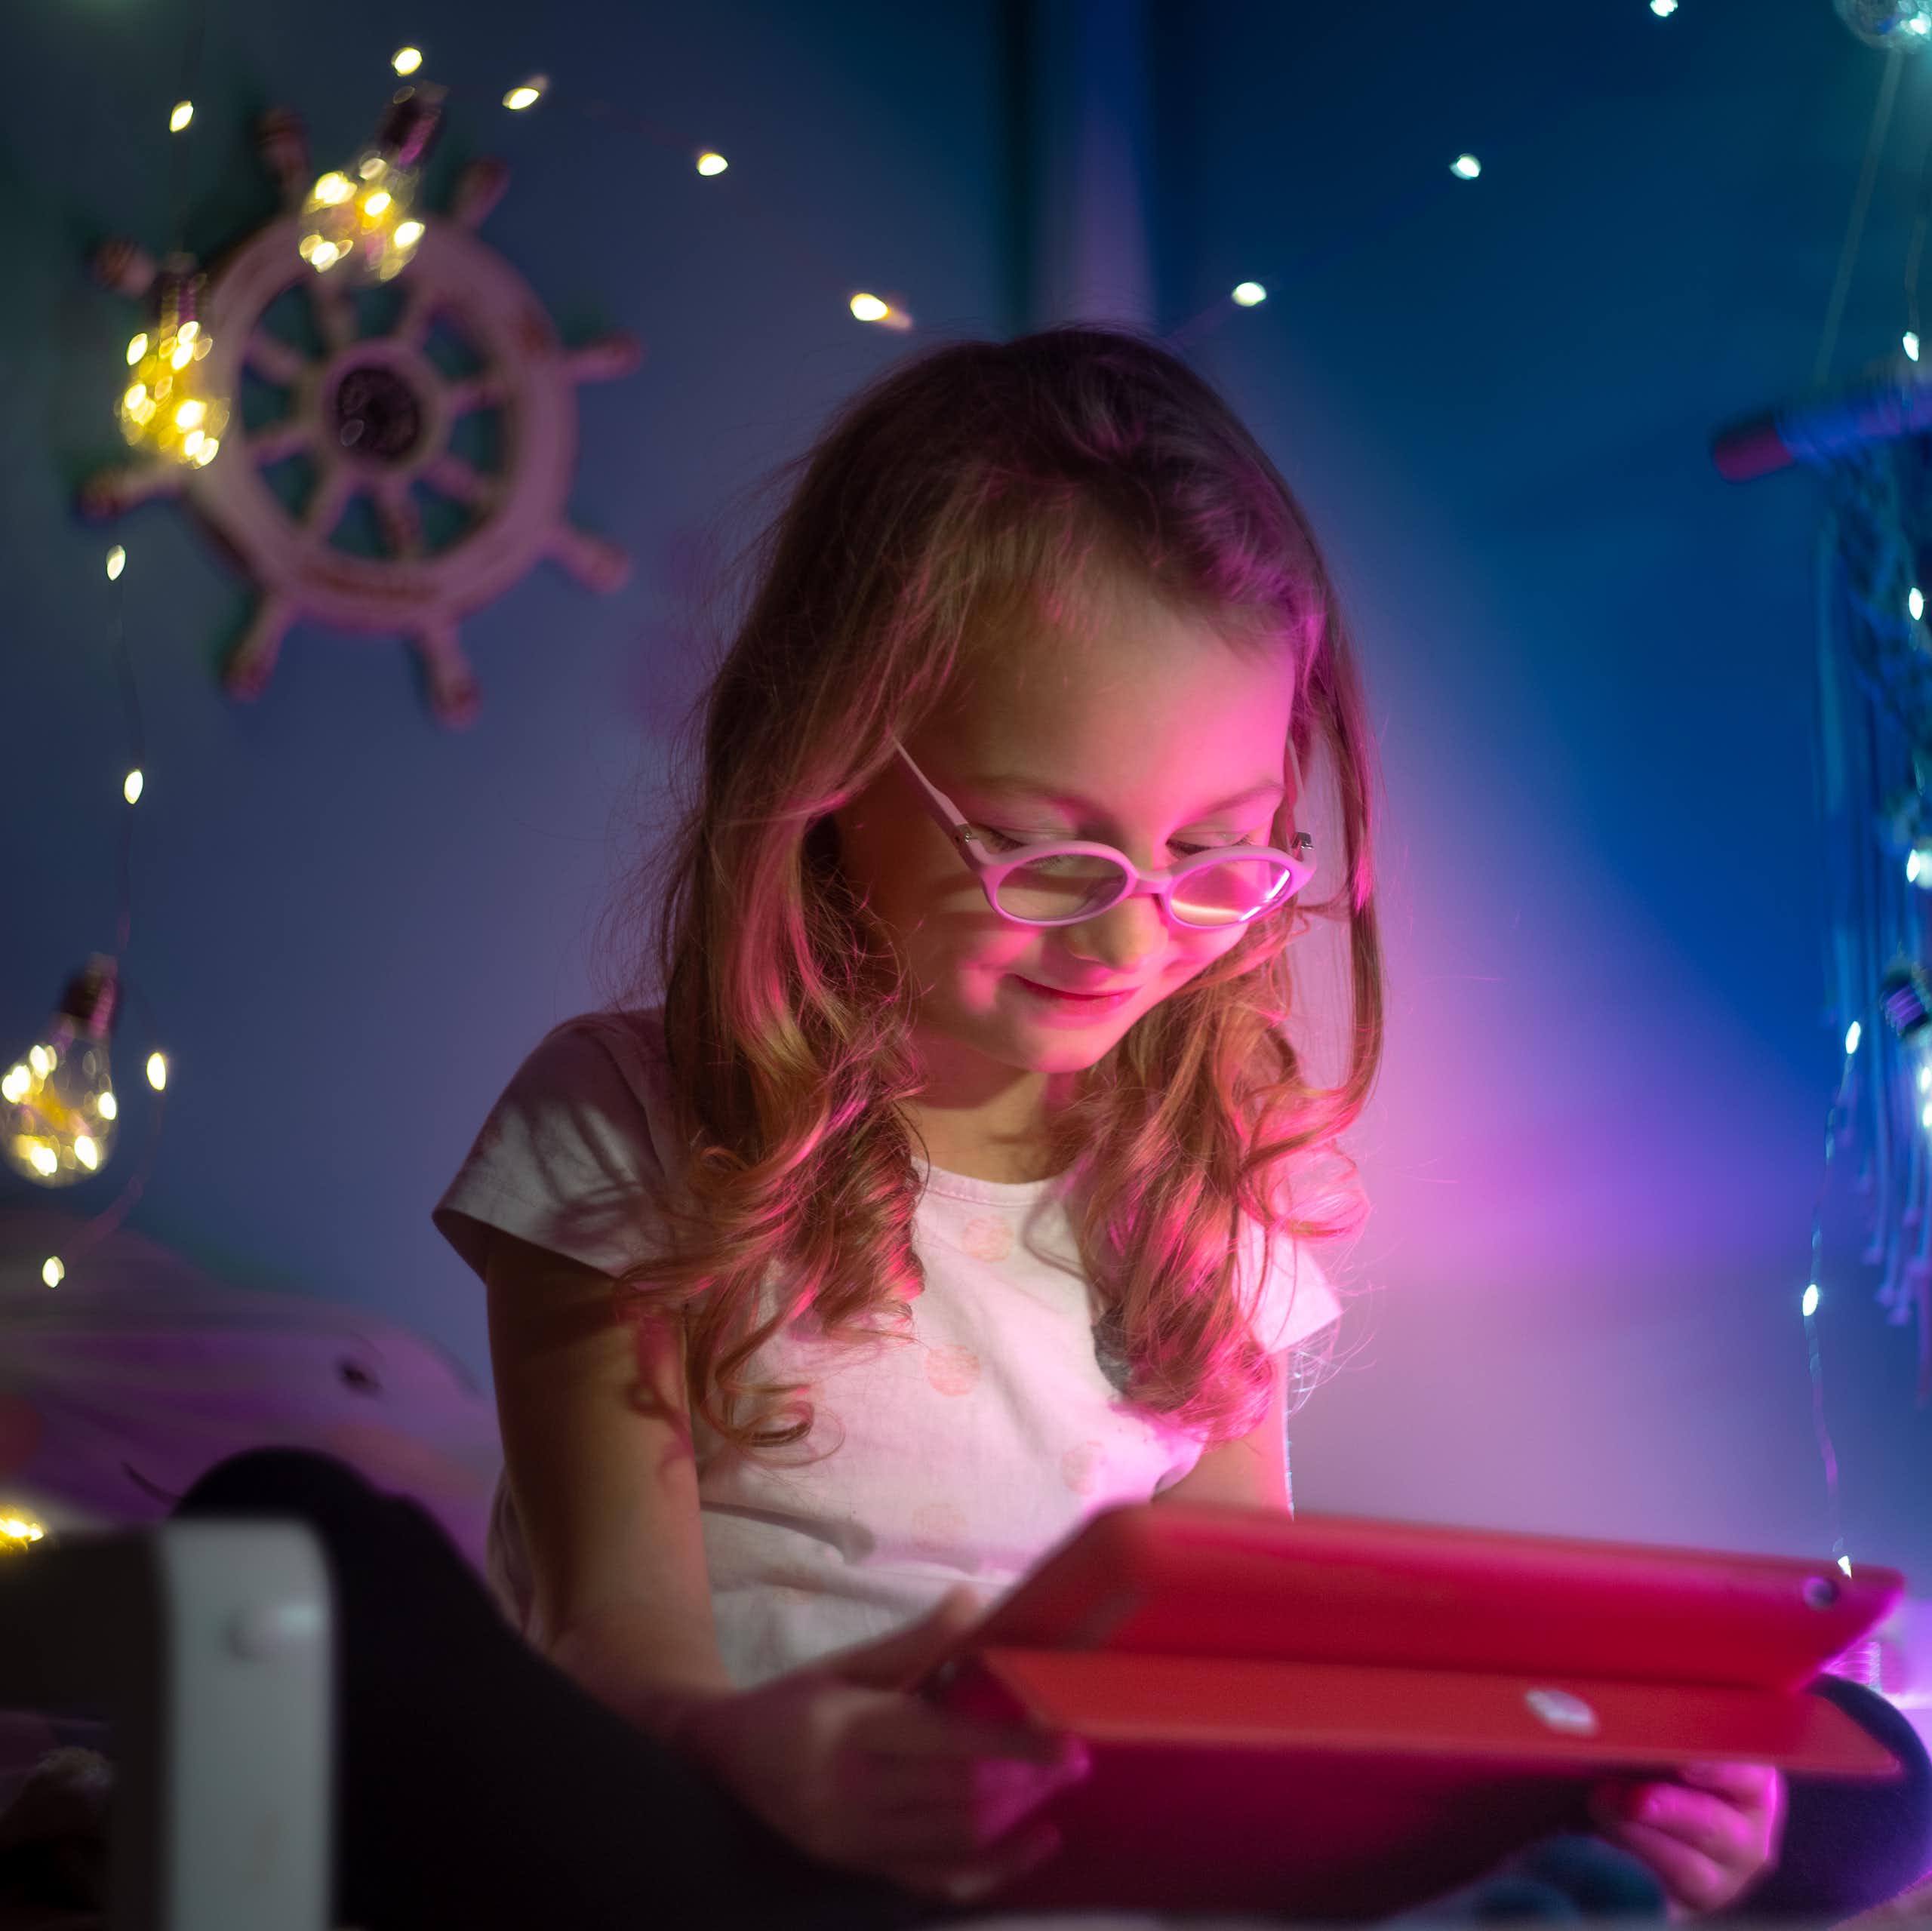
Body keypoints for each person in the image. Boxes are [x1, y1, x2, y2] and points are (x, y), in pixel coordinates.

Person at [387, 324, 1907, 1923]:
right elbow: (610, 1654)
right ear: (829, 763)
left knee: (1852, 1766)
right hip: (749, 1826)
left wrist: (1602, 1790)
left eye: (1215, 853)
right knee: (314, 1553)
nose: (1130, 942)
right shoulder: (629, 1125)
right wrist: (783, 1755)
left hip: (1088, 1856)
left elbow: (1235, 1674)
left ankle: (1619, 1865)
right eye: (1045, 852)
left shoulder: (1203, 1200)